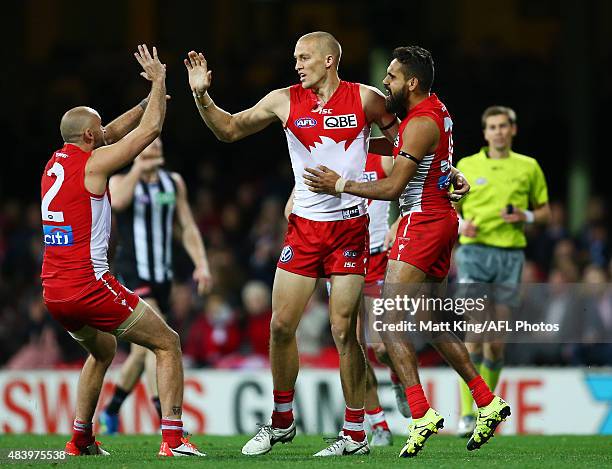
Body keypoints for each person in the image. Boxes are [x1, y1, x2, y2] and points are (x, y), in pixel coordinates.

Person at [184, 31, 399, 457]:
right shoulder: (283, 99)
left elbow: (407, 143)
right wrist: (202, 98)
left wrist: (367, 164)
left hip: (350, 230)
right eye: (295, 58)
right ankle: (282, 421)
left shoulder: (366, 99)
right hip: (304, 229)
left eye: (304, 57)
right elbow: (229, 129)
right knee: (281, 326)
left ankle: (355, 434)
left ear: (329, 60)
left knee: (344, 332)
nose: (297, 65)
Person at [303, 45, 510, 458]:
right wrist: (452, 173)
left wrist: (339, 185)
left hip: (422, 222)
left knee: (390, 320)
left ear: (411, 83)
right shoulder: (438, 111)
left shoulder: (418, 122)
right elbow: (434, 161)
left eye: (393, 77)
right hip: (441, 220)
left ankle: (420, 413)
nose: (386, 82)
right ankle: (487, 402)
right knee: (431, 322)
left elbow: (393, 188)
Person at [40, 45, 204, 457]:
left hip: (54, 292)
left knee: (104, 349)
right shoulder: (93, 166)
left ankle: (80, 440)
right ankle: (173, 439)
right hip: (88, 285)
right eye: (99, 129)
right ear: (90, 137)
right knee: (167, 343)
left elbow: (110, 132)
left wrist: (146, 101)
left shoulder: (57, 161)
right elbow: (146, 135)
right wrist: (159, 81)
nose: (103, 132)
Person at [284, 153, 411, 448]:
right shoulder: (324, 162)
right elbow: (291, 208)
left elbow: (411, 191)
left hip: (378, 257)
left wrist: (400, 221)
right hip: (341, 258)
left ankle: (396, 376)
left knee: (381, 346)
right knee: (351, 345)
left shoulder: (383, 160)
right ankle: (378, 422)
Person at [99, 137, 212, 434]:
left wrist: (201, 263)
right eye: (147, 147)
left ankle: (111, 411)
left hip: (162, 276)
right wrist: (138, 166)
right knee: (159, 342)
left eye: (158, 147)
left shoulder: (172, 183)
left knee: (141, 350)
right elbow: (119, 201)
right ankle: (164, 416)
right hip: (132, 273)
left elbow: (187, 226)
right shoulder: (121, 179)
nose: (154, 152)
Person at [454, 106, 550, 436]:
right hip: (474, 254)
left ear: (513, 130)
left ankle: (487, 408)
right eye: (492, 126)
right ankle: (470, 413)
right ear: (484, 133)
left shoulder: (528, 167)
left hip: (510, 256)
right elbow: (450, 207)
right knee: (476, 333)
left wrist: (524, 216)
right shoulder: (467, 166)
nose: (497, 131)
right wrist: (461, 225)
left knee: (495, 341)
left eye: (503, 126)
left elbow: (545, 213)